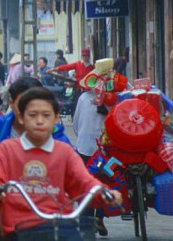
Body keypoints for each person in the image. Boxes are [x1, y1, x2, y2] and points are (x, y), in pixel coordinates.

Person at [0, 87, 123, 240]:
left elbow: (83, 181)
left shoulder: (64, 152)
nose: (40, 121)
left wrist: (104, 192)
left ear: (56, 118)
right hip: (18, 228)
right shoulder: (7, 150)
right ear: (20, 117)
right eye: (32, 115)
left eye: (46, 115)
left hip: (59, 226)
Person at [0, 77, 71, 240]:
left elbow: (73, 164)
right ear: (11, 103)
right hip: (5, 195)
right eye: (23, 104)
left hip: (46, 194)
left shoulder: (54, 131)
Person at [71, 58, 117, 236]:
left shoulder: (83, 98)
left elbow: (76, 125)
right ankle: (100, 216)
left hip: (84, 149)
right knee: (105, 182)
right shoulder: (113, 100)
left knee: (85, 186)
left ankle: (87, 222)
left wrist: (83, 136)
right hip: (107, 151)